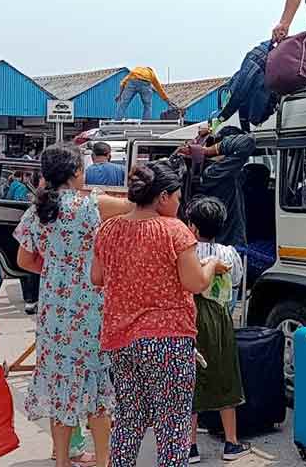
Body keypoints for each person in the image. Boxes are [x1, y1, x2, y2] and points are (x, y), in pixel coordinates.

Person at [13, 143, 132, 467]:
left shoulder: (38, 209)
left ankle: (63, 461)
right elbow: (134, 206)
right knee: (96, 387)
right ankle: (104, 460)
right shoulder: (92, 204)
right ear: (77, 172)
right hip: (91, 307)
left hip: (53, 309)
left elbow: (23, 259)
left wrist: (56, 269)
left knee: (61, 385)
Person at [93, 160, 217, 467]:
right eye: (176, 196)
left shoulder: (108, 230)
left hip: (121, 340)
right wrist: (212, 265)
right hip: (168, 341)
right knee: (172, 428)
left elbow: (97, 277)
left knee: (128, 422)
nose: (180, 202)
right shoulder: (174, 230)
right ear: (162, 197)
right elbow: (195, 282)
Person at [186, 196, 251, 463]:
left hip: (189, 318)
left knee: (190, 379)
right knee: (226, 376)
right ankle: (231, 443)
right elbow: (236, 282)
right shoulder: (228, 253)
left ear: (192, 226)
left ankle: (189, 446)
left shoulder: (185, 252)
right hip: (221, 318)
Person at [186, 126, 256, 247]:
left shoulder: (208, 170)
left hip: (221, 241)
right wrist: (208, 150)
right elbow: (248, 141)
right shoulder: (216, 171)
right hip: (228, 242)